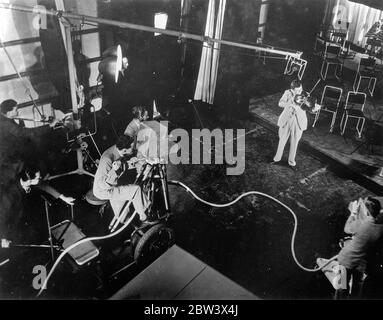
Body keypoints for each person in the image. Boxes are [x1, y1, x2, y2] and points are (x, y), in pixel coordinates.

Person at [0, 164, 75, 244]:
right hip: (13, 222)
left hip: (26, 212)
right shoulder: (9, 196)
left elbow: (45, 186)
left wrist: (64, 198)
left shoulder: (28, 181)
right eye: (38, 178)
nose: (40, 178)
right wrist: (2, 238)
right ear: (29, 181)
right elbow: (2, 217)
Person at [93, 135, 150, 223]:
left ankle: (123, 218)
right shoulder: (107, 159)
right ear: (124, 150)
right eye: (131, 147)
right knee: (136, 189)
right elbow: (103, 184)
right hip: (103, 190)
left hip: (112, 183)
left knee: (125, 191)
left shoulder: (118, 148)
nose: (133, 149)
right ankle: (145, 218)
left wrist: (137, 163)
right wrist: (115, 171)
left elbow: (124, 163)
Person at [336, 196, 383, 298]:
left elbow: (347, 228)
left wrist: (353, 213)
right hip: (361, 263)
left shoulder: (362, 223)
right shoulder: (380, 229)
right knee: (357, 287)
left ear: (366, 211)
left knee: (342, 286)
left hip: (346, 260)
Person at [271, 79, 306, 171]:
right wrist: (290, 103)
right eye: (297, 90)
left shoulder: (305, 94)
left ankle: (291, 162)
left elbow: (309, 107)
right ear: (292, 89)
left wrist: (313, 107)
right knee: (282, 141)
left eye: (301, 89)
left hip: (298, 122)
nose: (300, 91)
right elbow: (280, 103)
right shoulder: (287, 93)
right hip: (286, 120)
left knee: (294, 143)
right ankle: (277, 159)